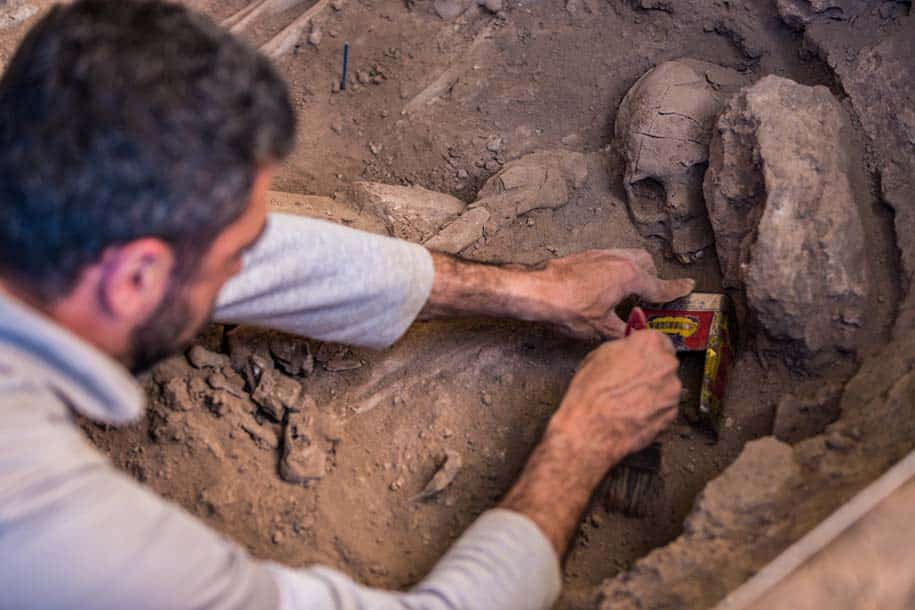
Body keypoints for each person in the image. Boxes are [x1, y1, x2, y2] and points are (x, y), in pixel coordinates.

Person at [0, 2, 691, 609]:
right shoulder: (38, 521)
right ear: (134, 279)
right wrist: (581, 443)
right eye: (232, 255)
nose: (248, 267)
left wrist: (529, 290)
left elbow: (246, 259)